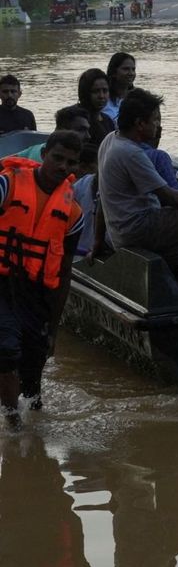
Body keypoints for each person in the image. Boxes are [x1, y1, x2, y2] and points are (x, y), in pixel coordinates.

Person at [95, 87, 178, 298]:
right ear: (140, 124)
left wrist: (97, 242)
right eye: (155, 120)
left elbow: (101, 198)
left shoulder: (110, 140)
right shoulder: (131, 153)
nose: (158, 125)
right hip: (141, 229)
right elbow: (171, 197)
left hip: (121, 232)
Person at [0, 131, 84, 428]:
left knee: (34, 365)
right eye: (57, 158)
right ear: (44, 154)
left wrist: (55, 327)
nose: (63, 167)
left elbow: (64, 271)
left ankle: (33, 423)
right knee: (7, 350)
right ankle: (13, 425)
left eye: (70, 162)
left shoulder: (73, 213)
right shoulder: (7, 184)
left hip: (36, 291)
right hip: (1, 281)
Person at [10, 105, 91, 161]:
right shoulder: (62, 164)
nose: (88, 136)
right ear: (62, 130)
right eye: (81, 130)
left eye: (87, 130)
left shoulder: (34, 149)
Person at [77, 68, 116, 145]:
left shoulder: (108, 121)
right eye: (96, 91)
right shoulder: (74, 119)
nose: (101, 96)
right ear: (85, 93)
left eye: (105, 91)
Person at [104, 52, 136, 122]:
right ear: (114, 72)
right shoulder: (103, 99)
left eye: (133, 69)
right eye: (126, 69)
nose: (131, 73)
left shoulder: (137, 99)